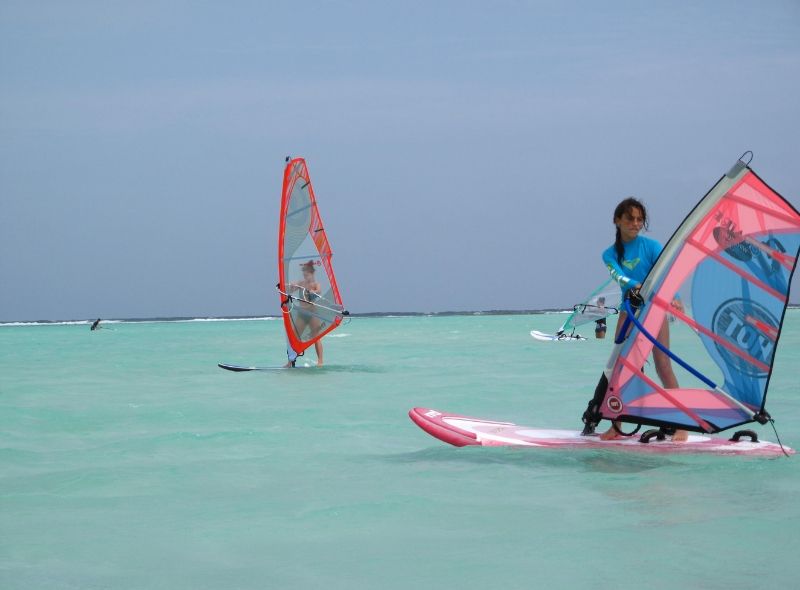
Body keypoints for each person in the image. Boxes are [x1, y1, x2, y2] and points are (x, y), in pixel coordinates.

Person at [599, 197, 687, 442]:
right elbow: (618, 276)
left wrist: (675, 297)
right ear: (618, 220)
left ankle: (682, 425)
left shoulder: (651, 246)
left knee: (662, 365)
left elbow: (668, 271)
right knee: (621, 369)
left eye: (640, 219)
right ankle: (617, 427)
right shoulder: (609, 254)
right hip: (629, 309)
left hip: (654, 309)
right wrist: (634, 283)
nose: (635, 223)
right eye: (630, 218)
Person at [284, 261, 324, 366]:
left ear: (312, 273)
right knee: (294, 337)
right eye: (304, 274)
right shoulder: (301, 283)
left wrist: (314, 292)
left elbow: (319, 292)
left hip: (312, 314)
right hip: (302, 314)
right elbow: (290, 290)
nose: (305, 276)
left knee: (316, 337)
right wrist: (290, 286)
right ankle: (290, 362)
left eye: (307, 274)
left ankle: (320, 361)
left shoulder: (316, 284)